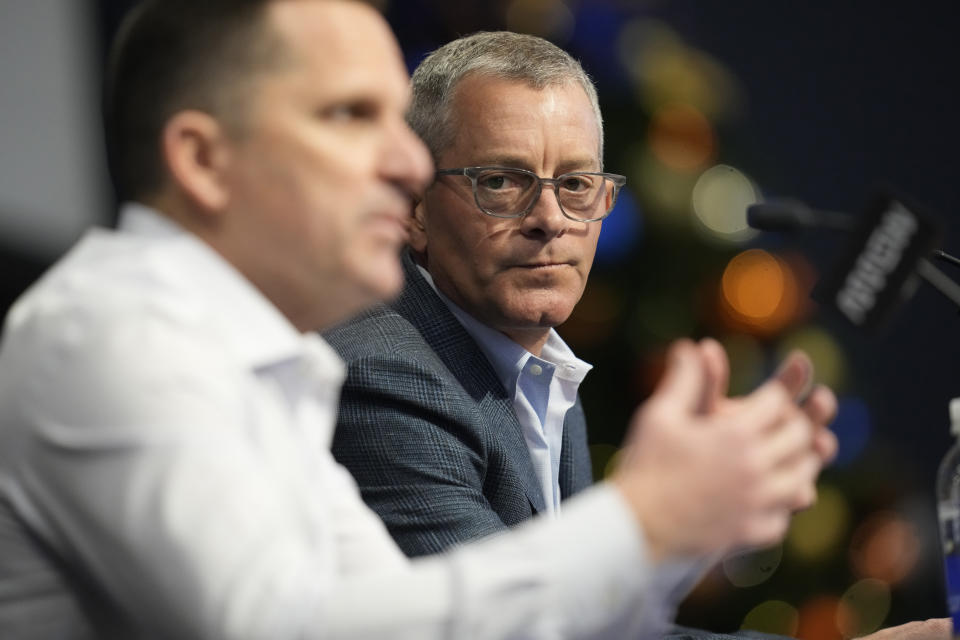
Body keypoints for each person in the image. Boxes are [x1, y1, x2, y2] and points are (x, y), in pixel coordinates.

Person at [0, 1, 884, 638]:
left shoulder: (266, 365)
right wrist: (646, 520)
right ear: (202, 157)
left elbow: (426, 617)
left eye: (578, 184)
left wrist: (666, 527)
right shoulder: (112, 332)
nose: (399, 161)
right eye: (352, 115)